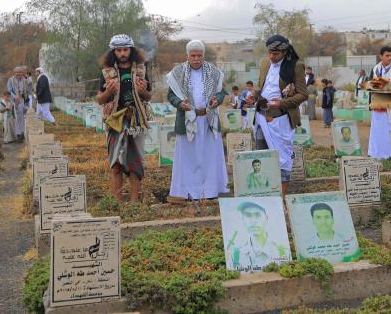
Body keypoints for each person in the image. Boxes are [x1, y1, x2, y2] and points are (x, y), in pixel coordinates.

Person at [245, 35, 308, 194]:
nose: (272, 57)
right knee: (262, 155)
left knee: (282, 159)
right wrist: (254, 96)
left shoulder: (296, 66)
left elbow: (303, 94)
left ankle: (280, 196)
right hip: (261, 116)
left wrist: (282, 103)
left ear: (285, 52)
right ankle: (266, 193)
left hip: (280, 119)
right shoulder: (265, 62)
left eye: (276, 54)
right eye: (270, 53)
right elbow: (262, 86)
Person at [167, 40, 228, 200]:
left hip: (208, 121)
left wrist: (218, 100)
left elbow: (222, 92)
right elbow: (171, 95)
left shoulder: (214, 72)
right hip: (187, 121)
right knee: (187, 158)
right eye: (193, 55)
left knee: (209, 156)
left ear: (203, 56)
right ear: (187, 56)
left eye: (199, 55)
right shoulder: (178, 73)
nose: (196, 59)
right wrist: (180, 103)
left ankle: (210, 191)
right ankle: (187, 191)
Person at [97, 34, 152, 202]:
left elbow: (149, 96)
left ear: (131, 50)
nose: (122, 53)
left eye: (125, 50)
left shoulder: (141, 69)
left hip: (136, 120)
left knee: (135, 164)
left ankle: (134, 203)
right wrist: (108, 92)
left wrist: (143, 92)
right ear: (113, 52)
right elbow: (100, 99)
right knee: (115, 164)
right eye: (119, 50)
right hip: (115, 121)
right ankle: (118, 203)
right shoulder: (107, 72)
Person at [228, 201, 290, 270]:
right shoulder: (236, 255)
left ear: (266, 218)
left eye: (258, 215)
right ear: (243, 220)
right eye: (248, 215)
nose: (253, 220)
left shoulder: (283, 252)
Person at [367, 46, 391, 159]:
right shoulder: (375, 69)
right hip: (377, 103)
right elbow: (371, 84)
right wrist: (387, 85)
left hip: (390, 105)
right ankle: (375, 153)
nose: (390, 58)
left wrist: (380, 84)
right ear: (381, 56)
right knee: (377, 130)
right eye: (387, 55)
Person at [7, 66, 29, 142]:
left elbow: (27, 91)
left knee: (21, 117)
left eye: (20, 72)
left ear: (22, 73)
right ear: (14, 73)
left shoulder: (24, 80)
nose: (18, 74)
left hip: (22, 100)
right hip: (14, 101)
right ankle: (17, 134)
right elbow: (9, 91)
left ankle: (21, 133)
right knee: (15, 117)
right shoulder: (11, 80)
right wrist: (14, 97)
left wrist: (26, 101)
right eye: (17, 72)